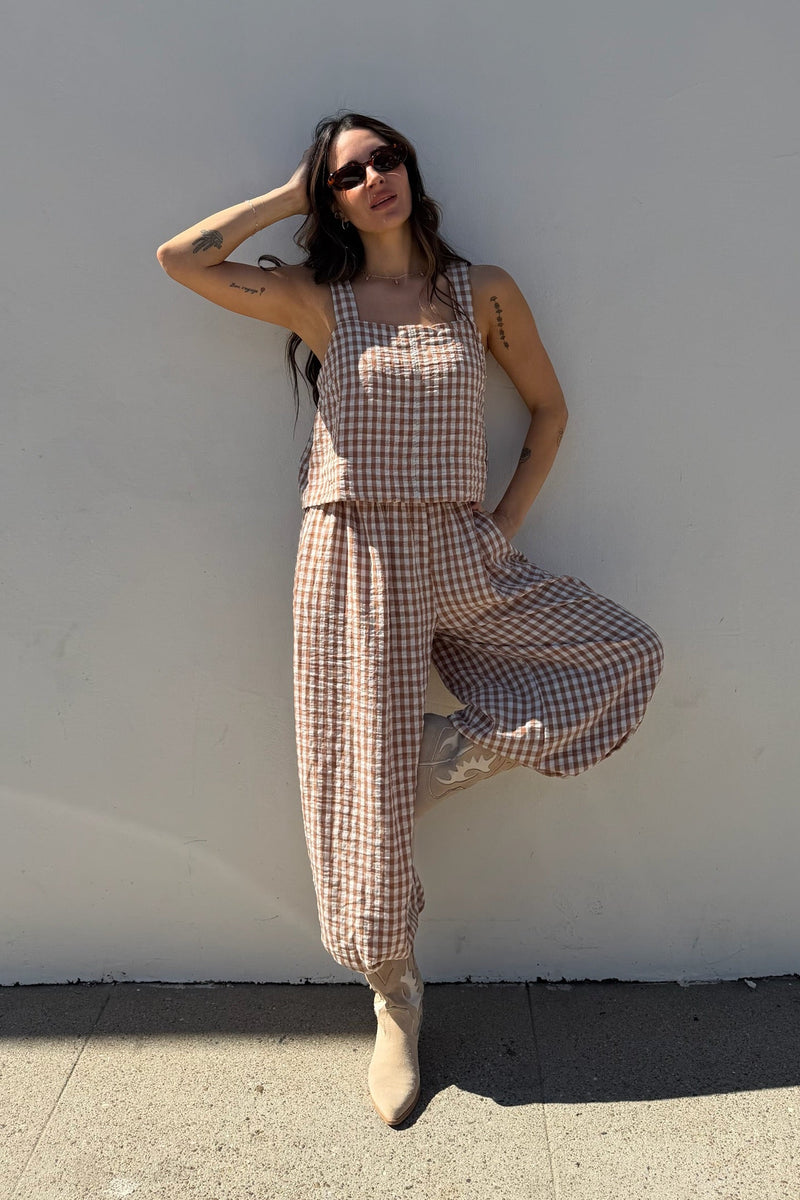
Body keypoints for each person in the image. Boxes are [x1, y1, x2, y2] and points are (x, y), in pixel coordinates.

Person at [156, 110, 664, 1127]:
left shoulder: (482, 292)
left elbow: (549, 411)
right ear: (330, 199)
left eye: (383, 159)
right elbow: (182, 260)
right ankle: (394, 997)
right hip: (349, 549)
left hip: (456, 542)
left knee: (621, 653)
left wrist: (501, 526)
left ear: (411, 169)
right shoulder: (317, 300)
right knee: (359, 798)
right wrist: (288, 191)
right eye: (345, 175)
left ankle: (427, 765)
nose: (372, 179)